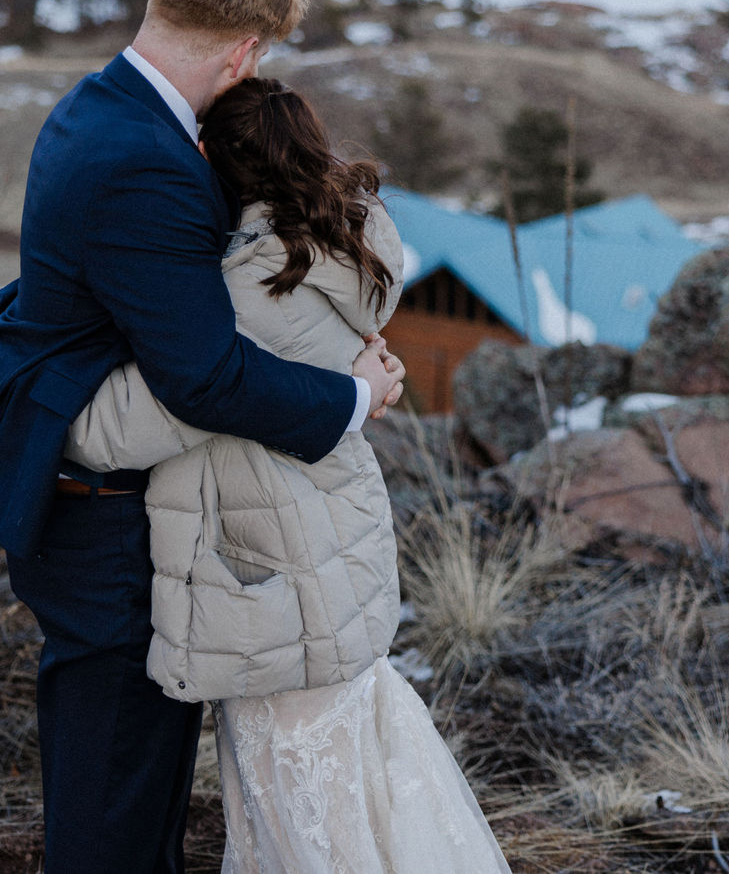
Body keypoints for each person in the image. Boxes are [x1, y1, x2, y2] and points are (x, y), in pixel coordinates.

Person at [0, 0, 406, 874]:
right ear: (246, 49)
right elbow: (205, 377)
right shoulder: (147, 160)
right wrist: (352, 398)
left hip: (100, 499)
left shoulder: (96, 105)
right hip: (105, 528)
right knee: (116, 814)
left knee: (125, 798)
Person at [64, 76, 511, 874]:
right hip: (327, 569)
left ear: (215, 161)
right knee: (358, 797)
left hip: (276, 586)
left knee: (309, 821)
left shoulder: (254, 292)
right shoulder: (342, 242)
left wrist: (30, 382)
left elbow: (111, 431)